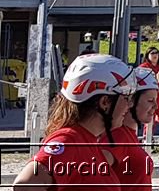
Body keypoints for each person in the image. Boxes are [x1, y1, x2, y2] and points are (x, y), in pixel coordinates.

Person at [13, 53, 135, 191]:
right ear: (105, 102)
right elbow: (25, 185)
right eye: (126, 98)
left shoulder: (87, 141)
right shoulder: (69, 140)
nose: (129, 105)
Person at [109, 67, 159, 191]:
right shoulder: (118, 136)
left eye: (156, 100)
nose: (155, 106)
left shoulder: (128, 134)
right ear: (131, 100)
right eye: (150, 100)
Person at [139, 47, 159, 124]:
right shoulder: (143, 67)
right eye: (152, 53)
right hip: (149, 98)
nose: (155, 55)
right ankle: (146, 135)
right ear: (147, 55)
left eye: (156, 53)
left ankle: (151, 135)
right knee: (148, 120)